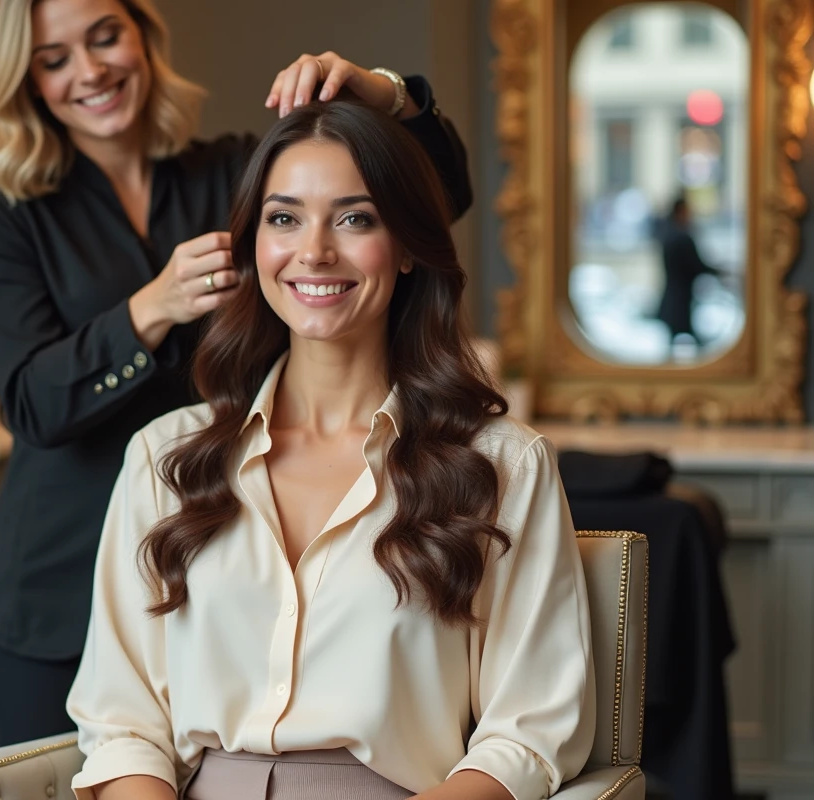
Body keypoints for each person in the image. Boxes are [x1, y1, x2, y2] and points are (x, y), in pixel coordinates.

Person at [0, 0, 473, 747]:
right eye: (55, 58)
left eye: (106, 38)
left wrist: (383, 94)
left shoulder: (232, 174)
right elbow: (32, 405)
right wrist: (148, 310)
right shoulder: (5, 215)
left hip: (220, 579)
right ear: (30, 81)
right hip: (57, 587)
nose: (91, 70)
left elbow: (436, 197)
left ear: (144, 39)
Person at [66, 100, 596, 800]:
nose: (314, 251)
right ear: (254, 244)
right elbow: (122, 721)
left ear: (407, 246)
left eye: (355, 218)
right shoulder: (165, 457)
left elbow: (528, 732)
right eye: (284, 218)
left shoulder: (501, 466)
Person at [655, 196, 722, 345]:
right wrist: (721, 272)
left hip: (673, 298)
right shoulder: (681, 237)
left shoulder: (668, 234)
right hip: (680, 300)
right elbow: (697, 265)